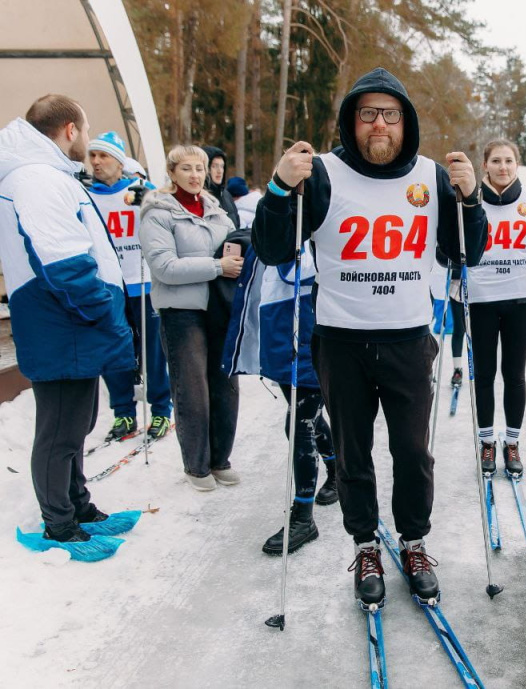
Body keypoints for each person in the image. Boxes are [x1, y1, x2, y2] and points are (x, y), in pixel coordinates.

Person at [252, 67, 486, 607]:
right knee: (353, 453)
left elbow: (463, 253)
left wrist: (470, 201)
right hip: (342, 341)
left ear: (407, 122)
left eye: (390, 114)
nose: (379, 124)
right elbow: (272, 247)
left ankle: (413, 541)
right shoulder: (324, 174)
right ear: (351, 120)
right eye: (368, 113)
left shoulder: (430, 176)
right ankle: (364, 544)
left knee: (412, 452)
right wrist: (281, 187)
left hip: (407, 340)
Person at [0, 95, 134, 546]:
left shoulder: (47, 174)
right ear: (71, 130)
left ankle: (79, 505)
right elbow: (62, 261)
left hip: (68, 323)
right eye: (88, 129)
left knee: (76, 423)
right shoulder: (37, 177)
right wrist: (102, 312)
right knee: (60, 428)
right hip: (63, 321)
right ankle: (60, 522)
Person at [222, 240, 339, 554]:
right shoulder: (277, 208)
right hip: (281, 321)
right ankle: (336, 470)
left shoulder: (323, 205)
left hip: (316, 320)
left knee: (300, 422)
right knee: (305, 416)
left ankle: (303, 515)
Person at [139, 145, 242, 492]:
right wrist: (217, 267)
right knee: (192, 389)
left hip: (218, 309)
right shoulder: (158, 212)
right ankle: (196, 465)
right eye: (186, 169)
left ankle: (220, 459)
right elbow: (164, 267)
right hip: (182, 312)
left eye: (199, 168)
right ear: (172, 173)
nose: (195, 175)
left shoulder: (216, 210)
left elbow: (234, 246)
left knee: (225, 385)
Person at [465, 139, 526, 474]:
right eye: (496, 161)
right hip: (481, 299)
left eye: (509, 161)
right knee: (484, 375)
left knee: (514, 374)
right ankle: (487, 443)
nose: (503, 167)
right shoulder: (471, 202)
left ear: (517, 164)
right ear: (484, 165)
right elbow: (452, 247)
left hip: (521, 299)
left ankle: (511, 442)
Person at [85, 131, 173, 441]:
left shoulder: (142, 190)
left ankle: (162, 409)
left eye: (103, 156)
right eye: (92, 155)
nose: (96, 162)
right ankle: (123, 413)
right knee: (114, 351)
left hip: (143, 282)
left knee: (153, 351)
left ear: (119, 161)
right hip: (108, 285)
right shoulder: (85, 195)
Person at [201, 145, 241, 230]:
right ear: (205, 168)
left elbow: (237, 224)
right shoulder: (200, 197)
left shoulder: (226, 195)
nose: (219, 171)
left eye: (222, 166)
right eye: (214, 166)